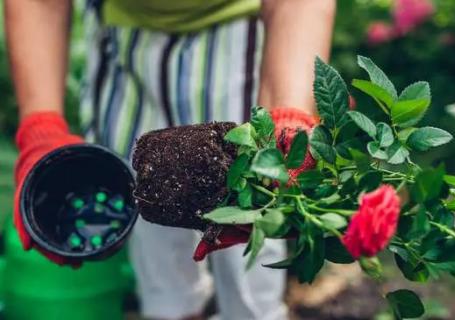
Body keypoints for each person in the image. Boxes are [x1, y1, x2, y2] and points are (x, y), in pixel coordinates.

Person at [5, 0, 336, 319]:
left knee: (248, 251)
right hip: (127, 46)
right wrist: (41, 127)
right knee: (154, 239)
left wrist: (288, 116)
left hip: (235, 42)